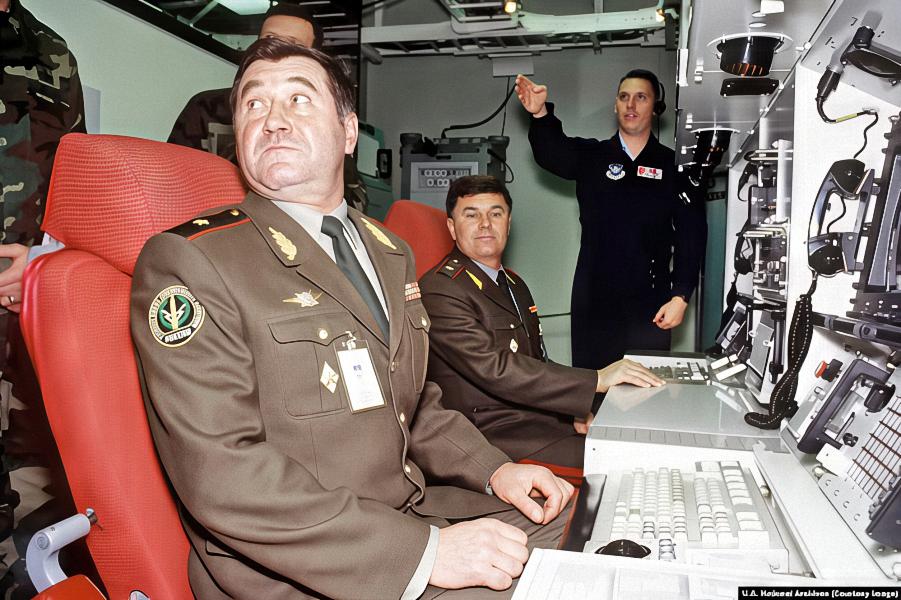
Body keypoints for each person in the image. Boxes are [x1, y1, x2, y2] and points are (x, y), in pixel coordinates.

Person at [131, 38, 574, 599]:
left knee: (590, 529)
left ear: (347, 133)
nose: (273, 120)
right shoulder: (193, 261)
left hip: (410, 515)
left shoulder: (389, 251)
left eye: (298, 100)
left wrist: (495, 470)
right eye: (254, 104)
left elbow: (412, 404)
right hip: (302, 569)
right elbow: (222, 474)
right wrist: (426, 555)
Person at [419, 176, 664, 470]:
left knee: (640, 433)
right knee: (630, 461)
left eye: (495, 214)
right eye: (471, 215)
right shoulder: (440, 289)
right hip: (491, 437)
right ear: (451, 227)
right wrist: (596, 380)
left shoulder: (514, 284)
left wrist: (575, 408)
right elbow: (495, 369)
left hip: (535, 419)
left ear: (508, 223)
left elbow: (538, 361)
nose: (485, 224)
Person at [516, 70, 707, 371]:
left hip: (651, 299)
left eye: (641, 97)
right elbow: (554, 152)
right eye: (624, 97)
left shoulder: (674, 168)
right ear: (615, 106)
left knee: (646, 386)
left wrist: (681, 295)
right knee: (594, 385)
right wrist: (540, 114)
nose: (631, 104)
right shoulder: (593, 156)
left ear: (655, 107)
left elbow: (691, 235)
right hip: (594, 296)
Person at [0, 1, 92, 595]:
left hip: (23, 322)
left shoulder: (50, 53)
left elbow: (75, 191)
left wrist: (43, 264)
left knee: (33, 516)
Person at [167, 2, 368, 212]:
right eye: (269, 39)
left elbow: (350, 195)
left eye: (293, 44)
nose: (273, 122)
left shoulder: (327, 127)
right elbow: (171, 180)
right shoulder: (206, 107)